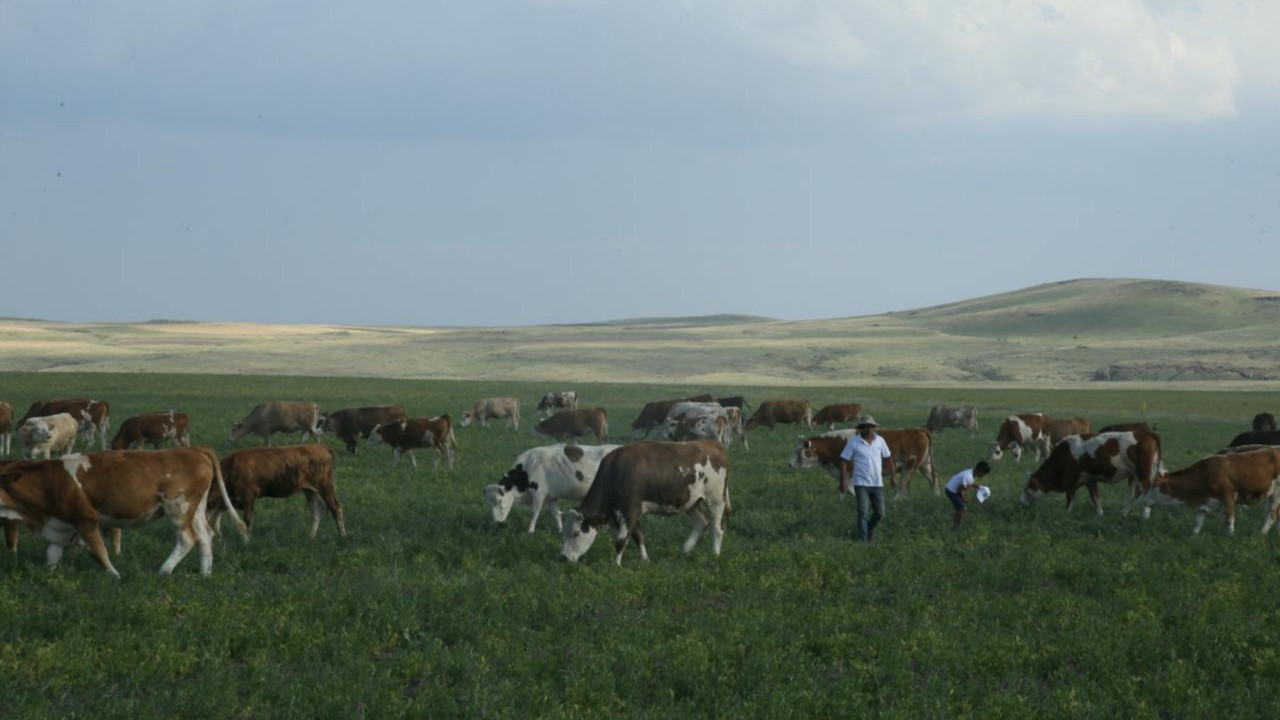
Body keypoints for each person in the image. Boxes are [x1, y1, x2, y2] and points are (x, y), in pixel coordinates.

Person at [839, 415, 896, 542]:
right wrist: (843, 481)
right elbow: (843, 460)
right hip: (860, 483)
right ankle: (863, 540)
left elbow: (888, 458)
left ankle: (869, 528)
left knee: (880, 513)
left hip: (877, 483)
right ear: (860, 429)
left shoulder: (880, 441)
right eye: (865, 427)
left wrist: (893, 476)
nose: (868, 430)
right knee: (863, 512)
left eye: (870, 427)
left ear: (873, 427)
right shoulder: (853, 442)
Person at [945, 461, 992, 529]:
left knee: (961, 507)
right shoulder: (968, 476)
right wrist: (963, 498)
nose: (983, 476)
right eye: (983, 474)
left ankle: (955, 518)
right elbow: (960, 490)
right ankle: (957, 527)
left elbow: (968, 484)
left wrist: (978, 487)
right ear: (980, 471)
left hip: (954, 489)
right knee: (962, 509)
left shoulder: (972, 473)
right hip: (951, 490)